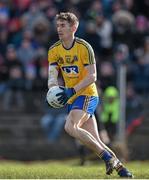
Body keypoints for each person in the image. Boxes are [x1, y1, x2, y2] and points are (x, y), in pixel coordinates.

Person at [47, 12, 133, 178]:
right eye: (58, 25)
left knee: (70, 126)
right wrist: (52, 90)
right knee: (96, 140)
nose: (59, 29)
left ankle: (107, 158)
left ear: (74, 27)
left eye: (63, 25)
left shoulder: (84, 47)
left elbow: (92, 76)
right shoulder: (54, 50)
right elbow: (52, 75)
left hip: (87, 94)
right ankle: (122, 170)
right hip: (72, 97)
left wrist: (72, 90)